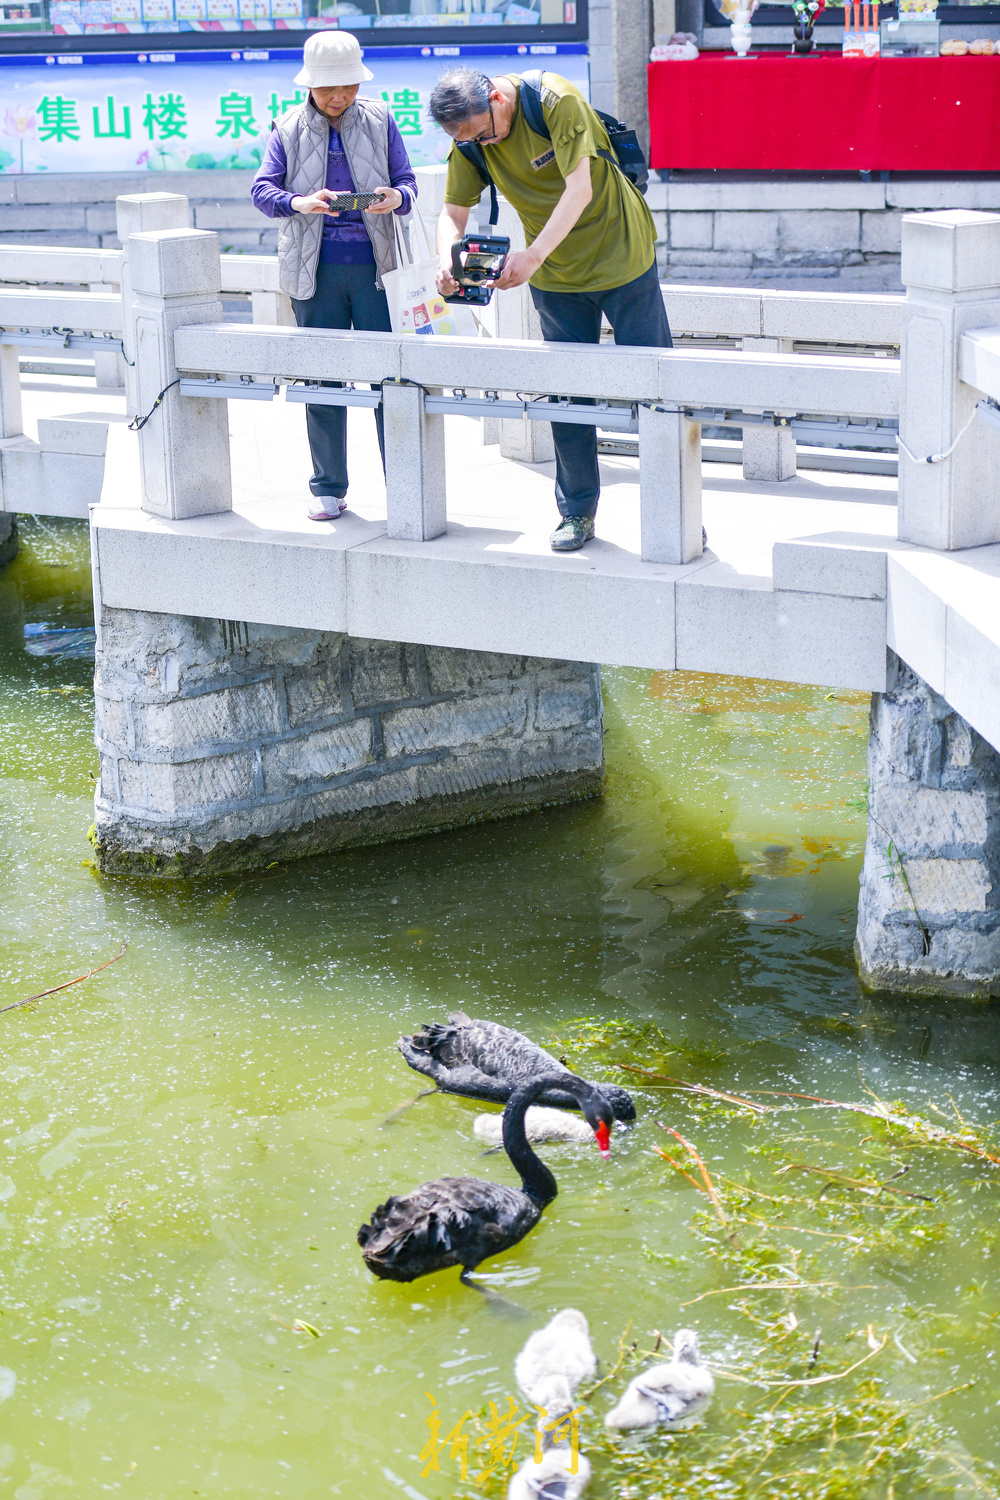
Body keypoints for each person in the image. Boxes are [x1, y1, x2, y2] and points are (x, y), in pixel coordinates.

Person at [430, 67, 672, 554]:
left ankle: (674, 512)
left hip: (622, 255)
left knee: (658, 390)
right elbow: (453, 212)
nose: (485, 146)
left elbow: (579, 189)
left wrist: (531, 255)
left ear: (497, 98)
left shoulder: (555, 99)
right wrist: (447, 260)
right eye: (473, 141)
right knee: (567, 396)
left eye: (486, 133)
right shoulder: (471, 137)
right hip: (556, 275)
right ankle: (576, 513)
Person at [252, 32, 417, 522]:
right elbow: (262, 191)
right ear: (309, 87)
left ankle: (405, 480)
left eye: (346, 86)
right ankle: (327, 486)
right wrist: (298, 203)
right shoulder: (286, 128)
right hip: (314, 271)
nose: (339, 97)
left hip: (377, 270)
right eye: (328, 90)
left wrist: (396, 198)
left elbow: (408, 183)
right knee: (321, 380)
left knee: (392, 380)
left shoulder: (382, 119)